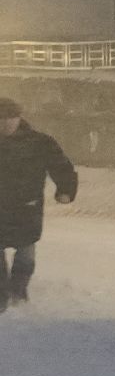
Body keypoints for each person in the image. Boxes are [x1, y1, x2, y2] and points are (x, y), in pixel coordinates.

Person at [0, 97, 78, 311]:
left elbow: (61, 166)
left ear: (19, 118)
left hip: (27, 207)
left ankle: (18, 292)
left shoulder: (39, 143)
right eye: (1, 118)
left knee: (26, 252)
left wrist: (65, 189)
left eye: (11, 118)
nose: (6, 123)